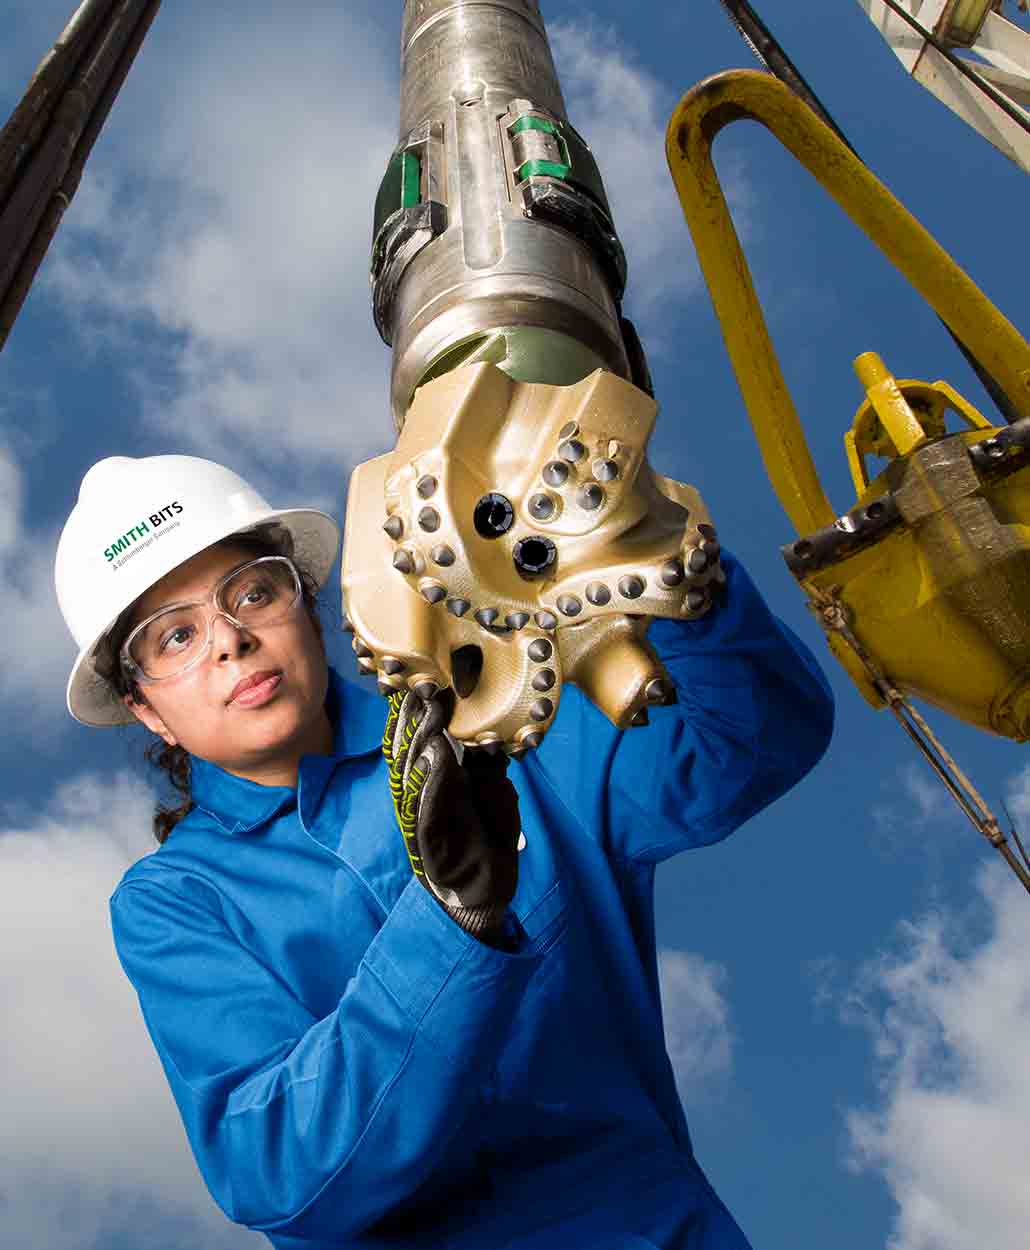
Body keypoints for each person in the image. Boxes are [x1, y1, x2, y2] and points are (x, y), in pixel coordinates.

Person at [55, 452, 835, 1250]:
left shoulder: (496, 720)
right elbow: (280, 1171)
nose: (230, 641)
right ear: (144, 708)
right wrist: (448, 918)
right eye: (175, 636)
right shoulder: (178, 901)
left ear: (306, 596)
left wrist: (669, 562)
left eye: (253, 591)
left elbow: (757, 741)